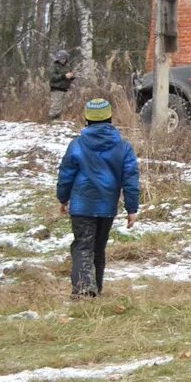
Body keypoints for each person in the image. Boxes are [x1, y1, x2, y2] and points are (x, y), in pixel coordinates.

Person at [56, 97, 140, 299]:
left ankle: (84, 289)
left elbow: (66, 174)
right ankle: (96, 288)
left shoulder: (76, 145)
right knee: (98, 248)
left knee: (83, 245)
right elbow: (130, 179)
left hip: (82, 206)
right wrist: (131, 208)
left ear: (87, 119)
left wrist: (63, 198)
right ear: (110, 118)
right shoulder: (123, 147)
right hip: (106, 207)